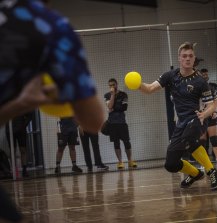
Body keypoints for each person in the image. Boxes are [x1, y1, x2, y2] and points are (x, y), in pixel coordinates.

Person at [0, 1, 104, 222]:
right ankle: (58, 166)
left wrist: (20, 103)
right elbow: (94, 121)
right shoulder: (51, 27)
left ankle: (71, 165)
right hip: (67, 121)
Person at [138, 42, 217, 190]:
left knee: (190, 137)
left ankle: (212, 171)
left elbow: (212, 105)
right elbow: (150, 89)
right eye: (184, 56)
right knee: (171, 164)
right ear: (179, 58)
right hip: (181, 122)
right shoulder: (170, 76)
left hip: (197, 118)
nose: (187, 59)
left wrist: (204, 114)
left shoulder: (200, 81)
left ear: (194, 58)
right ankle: (196, 174)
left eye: (190, 56)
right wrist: (138, 84)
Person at [104, 78, 137, 169]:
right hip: (112, 124)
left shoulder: (124, 95)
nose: (112, 87)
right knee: (116, 143)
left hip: (122, 123)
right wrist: (113, 95)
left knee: (127, 142)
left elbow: (124, 107)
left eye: (113, 85)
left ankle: (130, 161)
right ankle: (120, 162)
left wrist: (112, 109)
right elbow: (109, 106)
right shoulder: (107, 95)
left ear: (116, 84)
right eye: (110, 85)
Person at [199, 68, 217, 168]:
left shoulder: (211, 88)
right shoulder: (195, 88)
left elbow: (216, 102)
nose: (205, 76)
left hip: (212, 116)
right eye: (203, 75)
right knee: (202, 140)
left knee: (215, 139)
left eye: (206, 74)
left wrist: (215, 112)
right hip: (201, 116)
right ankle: (203, 162)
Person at [5, 112, 34, 177]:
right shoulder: (6, 103)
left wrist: (24, 125)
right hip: (9, 130)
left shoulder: (20, 103)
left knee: (23, 150)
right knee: (12, 150)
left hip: (21, 130)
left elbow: (30, 115)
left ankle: (24, 170)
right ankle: (14, 170)